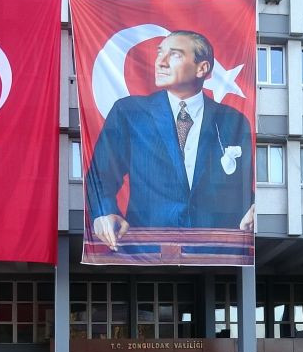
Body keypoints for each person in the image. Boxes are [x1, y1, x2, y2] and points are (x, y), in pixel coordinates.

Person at [87, 31, 254, 250]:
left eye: (174, 55)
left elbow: (240, 188)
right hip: (146, 251)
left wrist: (255, 207)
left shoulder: (233, 120)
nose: (160, 62)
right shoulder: (129, 112)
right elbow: (101, 175)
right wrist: (104, 212)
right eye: (160, 53)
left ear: (202, 68)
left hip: (214, 252)